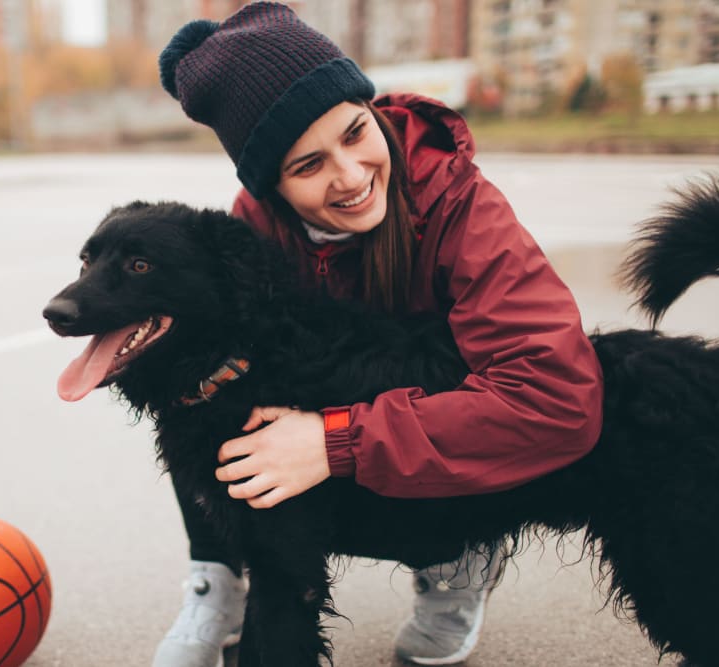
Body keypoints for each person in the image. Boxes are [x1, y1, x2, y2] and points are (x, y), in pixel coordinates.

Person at [152, 3, 603, 666]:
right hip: (348, 414)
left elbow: (557, 398)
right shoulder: (251, 230)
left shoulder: (459, 204)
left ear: (371, 109)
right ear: (270, 187)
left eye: (356, 132)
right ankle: (220, 578)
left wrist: (335, 442)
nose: (353, 174)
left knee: (461, 409)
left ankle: (454, 559)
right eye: (308, 166)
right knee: (193, 376)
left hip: (436, 420)